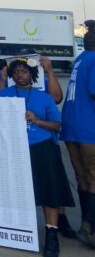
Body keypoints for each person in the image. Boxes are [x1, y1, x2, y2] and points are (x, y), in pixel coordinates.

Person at [0, 57, 74, 257]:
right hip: (14, 149)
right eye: (16, 72)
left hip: (41, 148)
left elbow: (58, 126)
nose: (19, 75)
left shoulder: (44, 97)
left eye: (24, 71)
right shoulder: (4, 94)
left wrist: (37, 120)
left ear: (32, 75)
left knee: (49, 192)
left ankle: (51, 234)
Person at [60, 25, 95, 247]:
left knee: (83, 178)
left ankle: (86, 224)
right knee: (93, 178)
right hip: (89, 128)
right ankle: (89, 229)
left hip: (72, 126)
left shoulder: (82, 58)